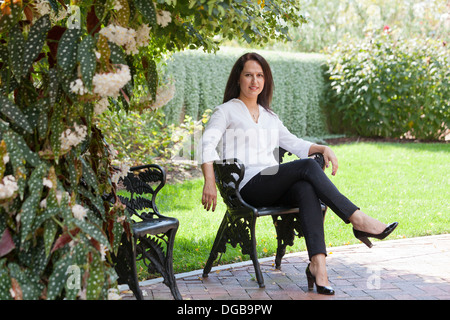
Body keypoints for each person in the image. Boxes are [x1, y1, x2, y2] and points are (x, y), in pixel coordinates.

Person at [200, 52, 398, 295]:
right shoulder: (226, 111)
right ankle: (357, 218)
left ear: (266, 80)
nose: (255, 81)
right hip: (246, 187)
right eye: (249, 75)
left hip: (272, 183)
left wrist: (323, 148)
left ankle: (319, 267)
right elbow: (206, 144)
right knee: (306, 167)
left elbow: (295, 143)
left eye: (260, 75)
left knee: (305, 188)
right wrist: (209, 180)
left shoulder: (269, 116)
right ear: (238, 79)